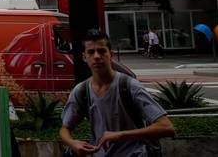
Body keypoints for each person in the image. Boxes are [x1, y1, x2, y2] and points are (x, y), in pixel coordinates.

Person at [61, 29, 173, 157]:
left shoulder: (129, 86)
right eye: (91, 52)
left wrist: (120, 135)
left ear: (111, 54)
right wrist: (72, 143)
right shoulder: (81, 90)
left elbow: (166, 127)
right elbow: (65, 128)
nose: (97, 56)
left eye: (102, 51)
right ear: (84, 57)